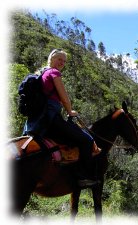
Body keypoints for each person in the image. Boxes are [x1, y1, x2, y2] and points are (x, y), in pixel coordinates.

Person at [23, 48, 97, 188]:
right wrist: (70, 111)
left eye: (64, 61)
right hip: (51, 118)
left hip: (38, 121)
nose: (62, 63)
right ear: (51, 59)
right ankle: (83, 177)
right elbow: (64, 97)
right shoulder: (54, 72)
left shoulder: (41, 73)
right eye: (59, 59)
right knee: (86, 140)